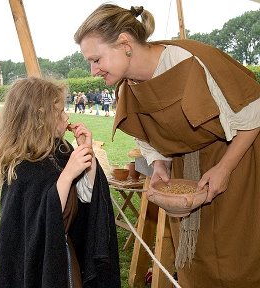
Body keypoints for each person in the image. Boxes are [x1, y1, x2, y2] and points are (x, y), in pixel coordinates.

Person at [74, 4, 260, 288]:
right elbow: (145, 133)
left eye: (96, 59)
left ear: (125, 42)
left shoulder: (191, 61)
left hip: (235, 158)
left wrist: (224, 168)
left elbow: (254, 113)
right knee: (195, 255)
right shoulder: (127, 86)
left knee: (238, 251)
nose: (93, 69)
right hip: (186, 168)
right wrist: (159, 163)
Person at [0, 76, 121, 288]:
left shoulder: (61, 150)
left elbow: (85, 197)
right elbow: (42, 220)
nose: (66, 116)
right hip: (38, 264)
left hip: (64, 256)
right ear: (39, 119)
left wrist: (86, 155)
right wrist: (68, 175)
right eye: (59, 112)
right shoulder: (20, 167)